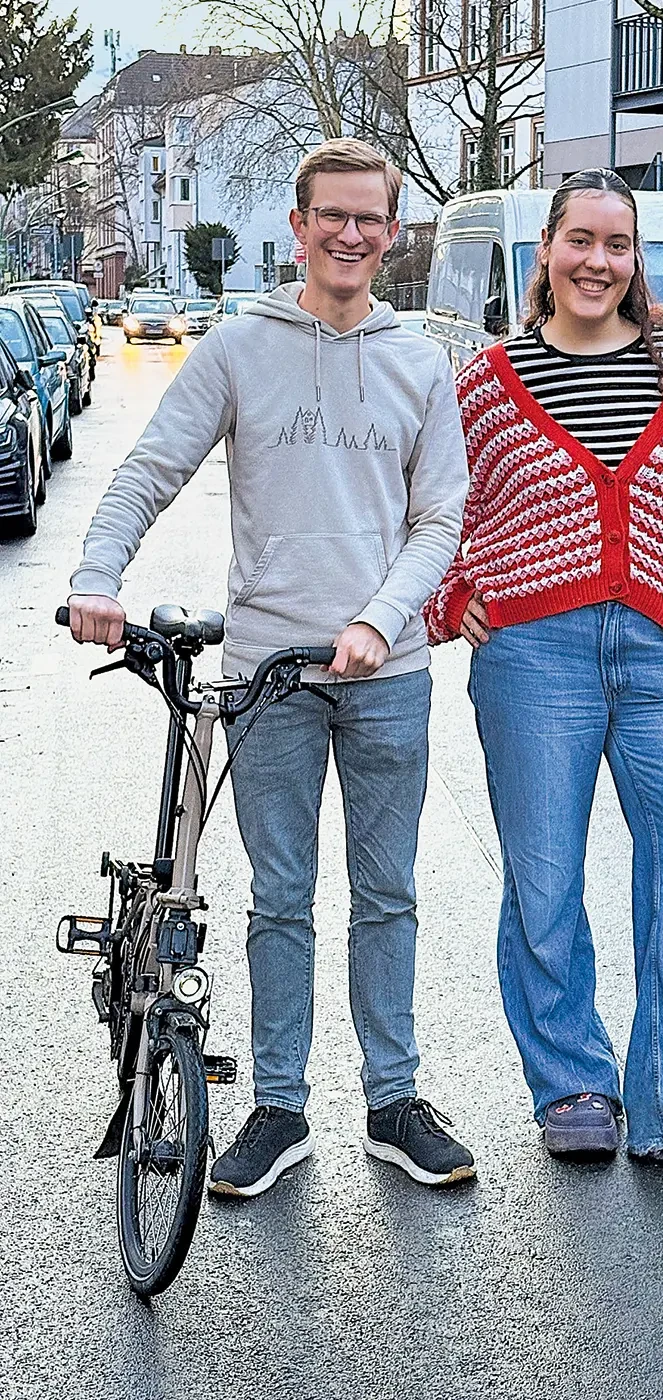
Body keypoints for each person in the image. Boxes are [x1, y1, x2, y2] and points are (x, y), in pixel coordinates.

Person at [65, 138, 475, 1195]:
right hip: (270, 676)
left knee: (387, 893)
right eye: (330, 216)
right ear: (297, 227)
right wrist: (98, 574)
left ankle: (394, 1099)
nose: (349, 234)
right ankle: (279, 1107)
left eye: (368, 219)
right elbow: (151, 469)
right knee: (280, 897)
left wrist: (383, 621)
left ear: (391, 231)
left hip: (388, 677)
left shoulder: (421, 360)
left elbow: (440, 521)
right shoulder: (241, 347)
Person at [425, 168, 663, 1180]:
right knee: (545, 881)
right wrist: (453, 597)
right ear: (546, 249)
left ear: (637, 260)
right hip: (532, 659)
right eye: (579, 240)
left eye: (616, 244)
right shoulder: (487, 382)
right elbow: (434, 513)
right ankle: (575, 1082)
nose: (597, 261)